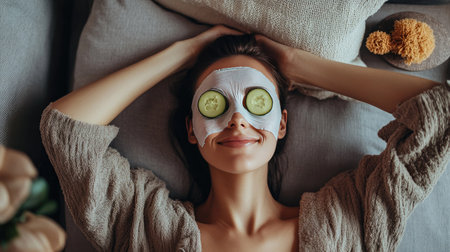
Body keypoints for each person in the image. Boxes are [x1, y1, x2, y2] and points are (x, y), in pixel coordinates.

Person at [40, 25, 449, 251]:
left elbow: (438, 113)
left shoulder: (351, 217)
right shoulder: (145, 226)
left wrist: (300, 65)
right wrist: (180, 54)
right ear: (191, 129)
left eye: (257, 102)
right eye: (215, 103)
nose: (237, 118)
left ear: (283, 124)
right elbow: (67, 128)